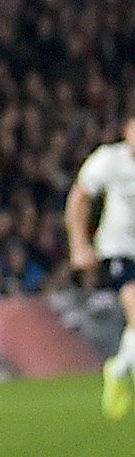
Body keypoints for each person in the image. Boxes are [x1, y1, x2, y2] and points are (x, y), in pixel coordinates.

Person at [62, 109, 135, 419]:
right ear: (127, 132)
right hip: (120, 250)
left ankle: (118, 369)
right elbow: (79, 197)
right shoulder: (109, 160)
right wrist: (79, 244)